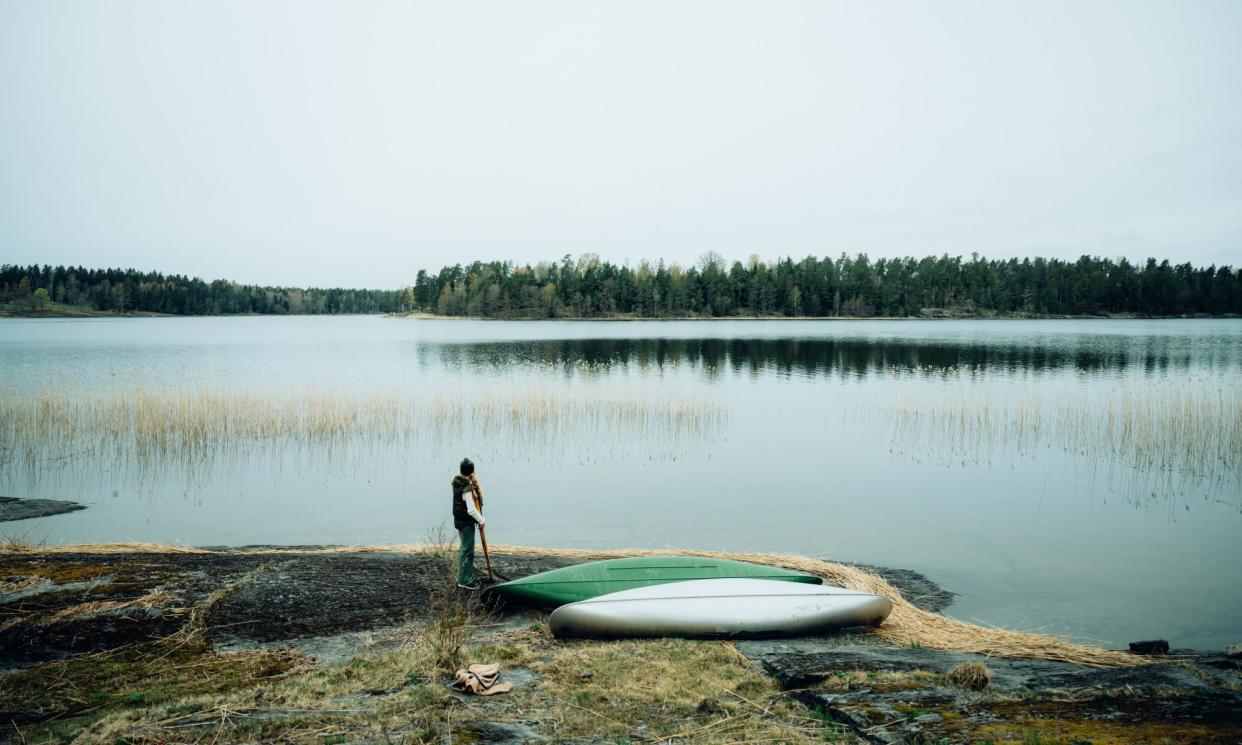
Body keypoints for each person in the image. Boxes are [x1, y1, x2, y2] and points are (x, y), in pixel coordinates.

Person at [451, 457, 486, 589]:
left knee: (463, 549)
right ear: (472, 471)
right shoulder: (467, 487)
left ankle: (462, 575)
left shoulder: (457, 482)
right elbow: (471, 510)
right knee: (467, 551)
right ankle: (464, 580)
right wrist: (481, 520)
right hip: (466, 523)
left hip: (459, 521)